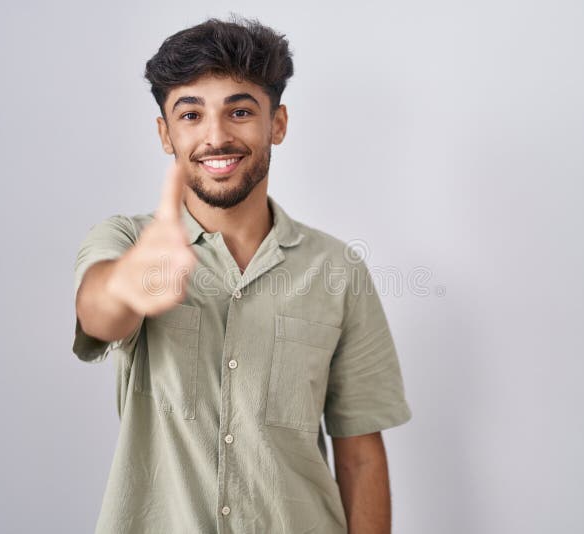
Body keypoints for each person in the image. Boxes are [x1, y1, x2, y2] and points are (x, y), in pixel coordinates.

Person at [73, 15, 412, 534]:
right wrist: (128, 283)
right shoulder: (125, 241)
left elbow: (360, 453)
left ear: (277, 123)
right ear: (165, 133)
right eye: (190, 114)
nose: (216, 136)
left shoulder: (338, 270)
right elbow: (97, 313)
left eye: (239, 110)